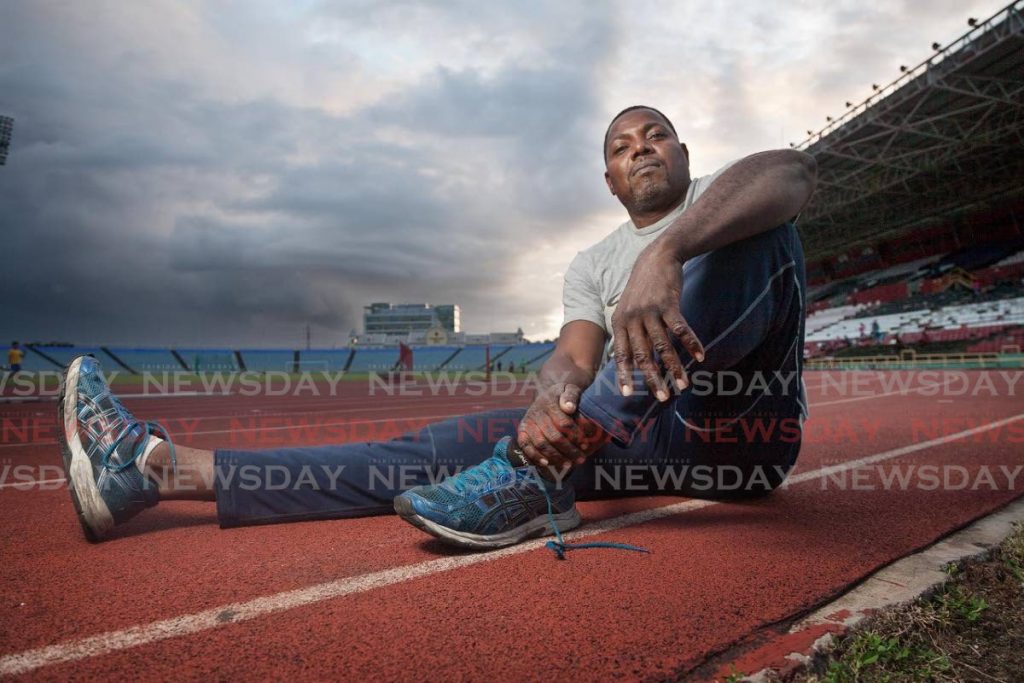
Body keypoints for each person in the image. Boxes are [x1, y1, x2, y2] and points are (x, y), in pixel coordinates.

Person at [57, 106, 816, 550]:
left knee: (759, 233)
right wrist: (549, 406)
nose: (640, 148)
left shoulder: (725, 193)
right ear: (609, 180)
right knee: (421, 450)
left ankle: (533, 473)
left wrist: (672, 250)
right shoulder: (589, 263)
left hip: (735, 433)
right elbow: (571, 358)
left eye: (654, 135)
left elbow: (793, 173)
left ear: (683, 153)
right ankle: (153, 471)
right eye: (621, 147)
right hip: (626, 434)